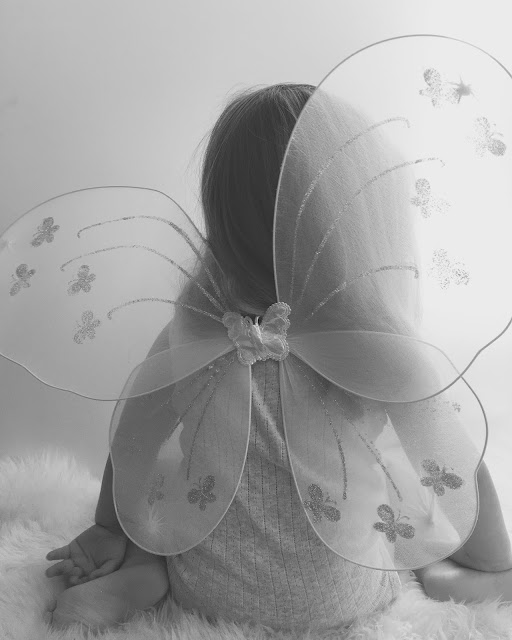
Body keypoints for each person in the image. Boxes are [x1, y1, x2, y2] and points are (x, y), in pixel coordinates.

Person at [44, 83, 512, 634]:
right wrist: (493, 557)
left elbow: (134, 438)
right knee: (405, 503)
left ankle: (147, 568)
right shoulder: (373, 344)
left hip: (207, 584)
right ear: (354, 220)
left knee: (171, 474)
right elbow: (454, 464)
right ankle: (450, 576)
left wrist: (107, 527)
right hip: (341, 593)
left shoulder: (198, 323)